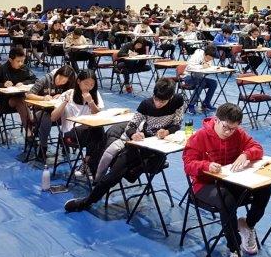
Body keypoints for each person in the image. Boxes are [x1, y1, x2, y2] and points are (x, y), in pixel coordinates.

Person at [65, 77, 185, 212]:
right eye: (156, 99)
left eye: (162, 101)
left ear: (171, 97)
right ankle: (87, 201)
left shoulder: (178, 100)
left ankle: (132, 173)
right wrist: (134, 134)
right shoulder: (146, 104)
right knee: (112, 177)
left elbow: (177, 123)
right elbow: (131, 126)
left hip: (160, 146)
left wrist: (168, 131)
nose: (158, 104)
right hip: (141, 143)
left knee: (157, 162)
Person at [182, 103, 271, 257]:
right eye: (226, 127)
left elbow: (257, 148)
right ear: (216, 120)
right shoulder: (199, 137)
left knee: (264, 188)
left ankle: (247, 225)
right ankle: (234, 250)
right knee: (226, 199)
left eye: (233, 129)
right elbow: (188, 165)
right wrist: (206, 165)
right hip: (205, 185)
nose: (229, 132)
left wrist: (246, 154)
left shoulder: (238, 133)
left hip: (231, 182)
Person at [57, 69, 107, 179]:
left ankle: (87, 163)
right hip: (70, 132)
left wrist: (91, 102)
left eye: (92, 84)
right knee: (97, 132)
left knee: (98, 132)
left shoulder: (95, 94)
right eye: (86, 83)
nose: (89, 87)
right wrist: (64, 102)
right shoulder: (69, 94)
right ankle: (90, 166)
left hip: (89, 131)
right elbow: (53, 117)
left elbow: (99, 115)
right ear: (78, 81)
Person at [26, 64, 76, 161]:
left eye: (64, 81)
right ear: (57, 74)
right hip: (40, 111)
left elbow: (72, 97)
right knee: (46, 118)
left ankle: (65, 140)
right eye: (59, 78)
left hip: (57, 111)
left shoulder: (68, 85)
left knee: (69, 114)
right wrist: (43, 98)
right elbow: (29, 95)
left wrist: (61, 96)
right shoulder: (45, 79)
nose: (60, 82)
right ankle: (43, 147)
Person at [0, 46, 37, 134]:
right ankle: (30, 131)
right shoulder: (2, 69)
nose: (21, 63)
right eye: (18, 61)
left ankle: (30, 130)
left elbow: (34, 79)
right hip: (5, 101)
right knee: (21, 102)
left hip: (21, 97)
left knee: (27, 101)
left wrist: (24, 83)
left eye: (22, 61)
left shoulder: (24, 68)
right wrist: (3, 85)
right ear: (10, 60)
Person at [184, 45, 220, 114]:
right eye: (209, 58)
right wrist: (202, 66)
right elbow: (189, 67)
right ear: (205, 54)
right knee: (201, 83)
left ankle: (206, 103)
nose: (210, 60)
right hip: (188, 77)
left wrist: (212, 69)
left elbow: (207, 68)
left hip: (200, 77)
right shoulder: (196, 55)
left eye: (211, 59)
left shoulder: (209, 57)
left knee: (213, 83)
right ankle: (191, 105)